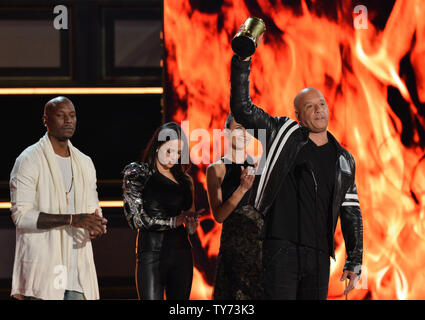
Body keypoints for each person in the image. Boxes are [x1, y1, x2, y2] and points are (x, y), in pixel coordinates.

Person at [229, 52, 363, 299]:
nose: (318, 110)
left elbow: (351, 212)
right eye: (310, 107)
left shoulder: (343, 159)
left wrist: (355, 260)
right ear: (299, 116)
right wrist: (242, 61)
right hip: (282, 249)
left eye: (321, 104)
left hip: (320, 256)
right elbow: (242, 108)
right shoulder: (282, 133)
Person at [9, 96, 107, 300]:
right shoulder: (29, 159)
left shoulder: (84, 162)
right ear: (46, 120)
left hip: (77, 268)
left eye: (72, 115)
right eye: (61, 116)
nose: (68, 121)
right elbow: (21, 216)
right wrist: (72, 219)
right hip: (44, 266)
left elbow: (93, 208)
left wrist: (96, 225)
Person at [122, 122, 201, 300]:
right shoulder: (139, 174)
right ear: (157, 147)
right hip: (151, 253)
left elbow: (189, 219)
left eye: (179, 152)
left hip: (181, 253)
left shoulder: (186, 180)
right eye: (169, 151)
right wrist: (173, 222)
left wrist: (191, 225)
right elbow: (136, 220)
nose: (174, 157)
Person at [206, 114, 263, 299]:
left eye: (248, 129)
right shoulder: (216, 169)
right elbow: (219, 216)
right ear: (226, 132)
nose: (244, 134)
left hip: (260, 248)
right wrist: (242, 188)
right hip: (235, 247)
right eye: (238, 129)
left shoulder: (257, 164)